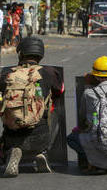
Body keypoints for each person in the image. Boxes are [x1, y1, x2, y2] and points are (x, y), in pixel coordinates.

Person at [0, 37, 64, 177]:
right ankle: (41, 153)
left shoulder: (6, 73)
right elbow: (60, 91)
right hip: (41, 136)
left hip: (11, 137)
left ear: (20, 54)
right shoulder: (48, 72)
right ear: (40, 54)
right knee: (49, 111)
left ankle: (10, 151)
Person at [67, 56, 107, 175]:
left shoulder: (89, 93)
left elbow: (82, 120)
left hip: (98, 153)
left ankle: (92, 162)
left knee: (71, 138)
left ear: (95, 76)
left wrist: (88, 84)